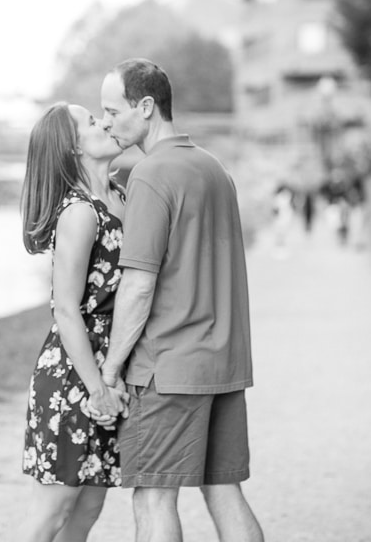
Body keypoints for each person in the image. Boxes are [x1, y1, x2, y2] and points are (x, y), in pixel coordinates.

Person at [90, 59, 264, 542]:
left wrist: (109, 371)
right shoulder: (215, 170)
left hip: (168, 368)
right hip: (224, 364)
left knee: (151, 496)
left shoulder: (149, 174)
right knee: (224, 491)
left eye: (111, 110)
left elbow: (138, 285)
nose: (105, 122)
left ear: (145, 107)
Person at [18, 102, 130, 542]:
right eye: (90, 121)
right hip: (73, 373)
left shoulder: (121, 195)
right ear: (72, 148)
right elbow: (65, 308)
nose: (104, 122)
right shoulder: (80, 212)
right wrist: (98, 388)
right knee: (53, 509)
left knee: (88, 507)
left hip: (108, 363)